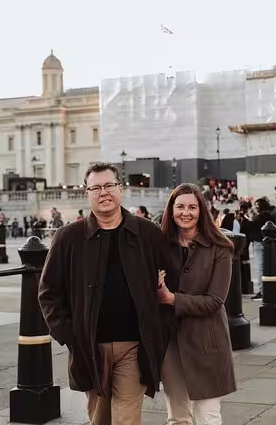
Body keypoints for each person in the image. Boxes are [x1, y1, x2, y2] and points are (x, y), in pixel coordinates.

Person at [39, 162, 176, 425]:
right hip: (90, 346)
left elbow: (172, 280)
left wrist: (160, 327)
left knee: (126, 417)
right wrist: (68, 335)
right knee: (99, 418)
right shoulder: (68, 237)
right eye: (96, 187)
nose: (104, 192)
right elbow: (48, 292)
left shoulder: (147, 232)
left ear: (120, 189)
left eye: (109, 185)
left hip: (134, 346)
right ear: (87, 192)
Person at [156, 184, 236, 424]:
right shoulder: (160, 246)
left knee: (208, 415)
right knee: (178, 416)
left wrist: (171, 299)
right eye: (179, 206)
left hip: (207, 341)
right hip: (171, 342)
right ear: (171, 211)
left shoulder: (220, 248)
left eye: (192, 207)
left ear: (202, 210)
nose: (186, 212)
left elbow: (215, 301)